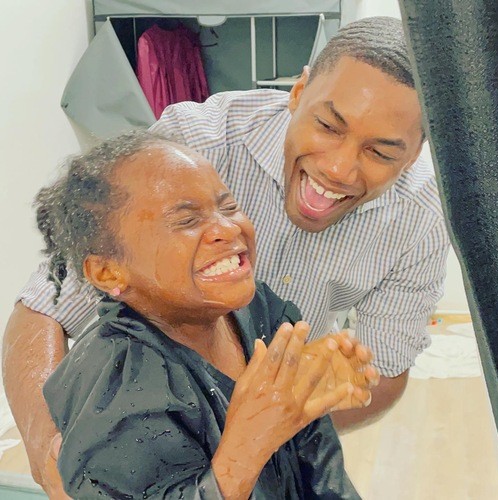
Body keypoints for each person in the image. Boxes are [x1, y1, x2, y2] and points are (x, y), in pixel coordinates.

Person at [2, 16, 448, 496]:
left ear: (416, 153)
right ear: (298, 92)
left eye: (380, 153)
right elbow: (44, 307)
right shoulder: (187, 153)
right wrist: (46, 452)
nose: (339, 169)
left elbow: (378, 380)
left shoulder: (281, 314)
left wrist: (279, 419)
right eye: (327, 126)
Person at [38, 131, 365, 498]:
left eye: (228, 207)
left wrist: (313, 390)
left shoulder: (263, 314)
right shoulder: (116, 386)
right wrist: (244, 451)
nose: (228, 228)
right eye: (187, 220)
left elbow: (320, 465)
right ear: (108, 272)